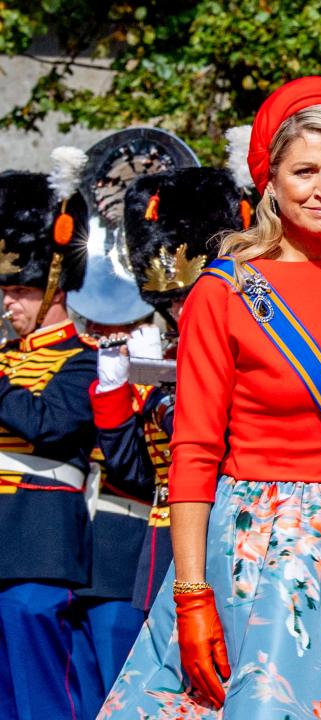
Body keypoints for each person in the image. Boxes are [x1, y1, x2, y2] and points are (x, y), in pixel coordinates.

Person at [99, 77, 321, 718]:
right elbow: (193, 454)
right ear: (270, 181)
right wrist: (193, 595)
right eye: (304, 170)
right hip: (262, 548)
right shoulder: (223, 293)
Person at [89, 166, 251, 616]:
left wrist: (161, 396)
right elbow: (134, 471)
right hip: (161, 537)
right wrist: (116, 390)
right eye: (172, 302)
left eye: (189, 297)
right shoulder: (164, 357)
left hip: (221, 527)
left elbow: (212, 439)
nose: (183, 310)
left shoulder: (242, 357)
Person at [0, 154, 102, 719]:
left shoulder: (82, 361)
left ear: (53, 287)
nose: (9, 302)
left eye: (20, 289)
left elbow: (49, 425)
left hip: (40, 542)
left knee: (47, 698)